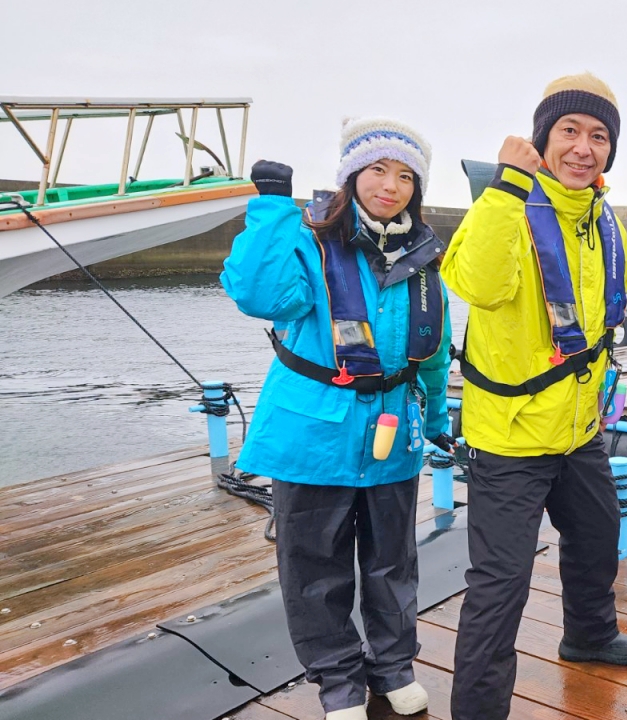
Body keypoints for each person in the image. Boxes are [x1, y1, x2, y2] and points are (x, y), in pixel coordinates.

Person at [222, 118, 454, 720]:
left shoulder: (424, 257)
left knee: (392, 563)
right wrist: (271, 207)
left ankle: (393, 667)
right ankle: (338, 684)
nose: (391, 185)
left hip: (393, 434)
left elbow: (430, 348)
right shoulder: (309, 238)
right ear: (352, 174)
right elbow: (259, 295)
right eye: (378, 169)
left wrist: (433, 420)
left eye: (406, 176)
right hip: (311, 434)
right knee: (314, 569)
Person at [441, 72, 627, 720]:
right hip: (508, 436)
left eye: (598, 136)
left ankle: (588, 635)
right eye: (569, 131)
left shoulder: (604, 221)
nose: (583, 147)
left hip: (576, 427)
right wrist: (507, 185)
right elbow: (473, 280)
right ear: (543, 138)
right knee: (498, 587)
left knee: (597, 531)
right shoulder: (508, 209)